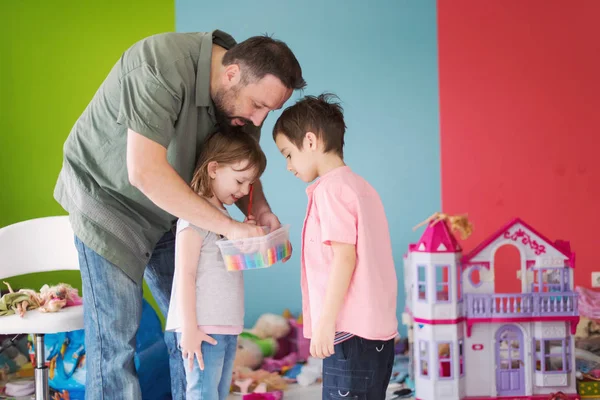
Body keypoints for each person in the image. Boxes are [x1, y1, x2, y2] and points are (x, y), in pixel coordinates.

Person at [53, 30, 305, 400]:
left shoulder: (242, 98)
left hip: (177, 205)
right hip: (108, 201)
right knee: (116, 341)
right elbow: (145, 172)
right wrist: (229, 227)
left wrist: (259, 210)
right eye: (257, 105)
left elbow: (241, 166)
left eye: (268, 110)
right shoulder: (159, 66)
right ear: (231, 73)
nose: (258, 118)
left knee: (192, 331)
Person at [272, 93, 398, 400]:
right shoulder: (361, 187)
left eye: (288, 154)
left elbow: (345, 257)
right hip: (377, 333)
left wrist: (325, 322)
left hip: (348, 332)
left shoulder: (330, 190)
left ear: (311, 141)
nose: (288, 166)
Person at [165, 130, 266, 399]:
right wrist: (188, 329)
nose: (245, 191)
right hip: (202, 328)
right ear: (213, 169)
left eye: (250, 185)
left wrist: (245, 238)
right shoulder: (194, 216)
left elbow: (225, 266)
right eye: (240, 181)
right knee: (202, 393)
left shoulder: (225, 218)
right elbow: (185, 275)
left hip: (226, 325)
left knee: (218, 393)